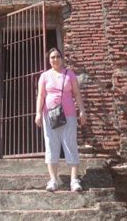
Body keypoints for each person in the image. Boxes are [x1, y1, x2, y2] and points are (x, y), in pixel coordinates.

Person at [35, 47, 87, 192]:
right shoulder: (44, 76)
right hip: (50, 115)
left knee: (70, 144)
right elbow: (41, 96)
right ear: (49, 60)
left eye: (57, 56)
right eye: (52, 57)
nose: (55, 59)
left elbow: (76, 94)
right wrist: (38, 113)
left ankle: (74, 180)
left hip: (69, 114)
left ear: (62, 58)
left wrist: (82, 111)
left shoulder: (70, 74)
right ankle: (53, 180)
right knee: (51, 144)